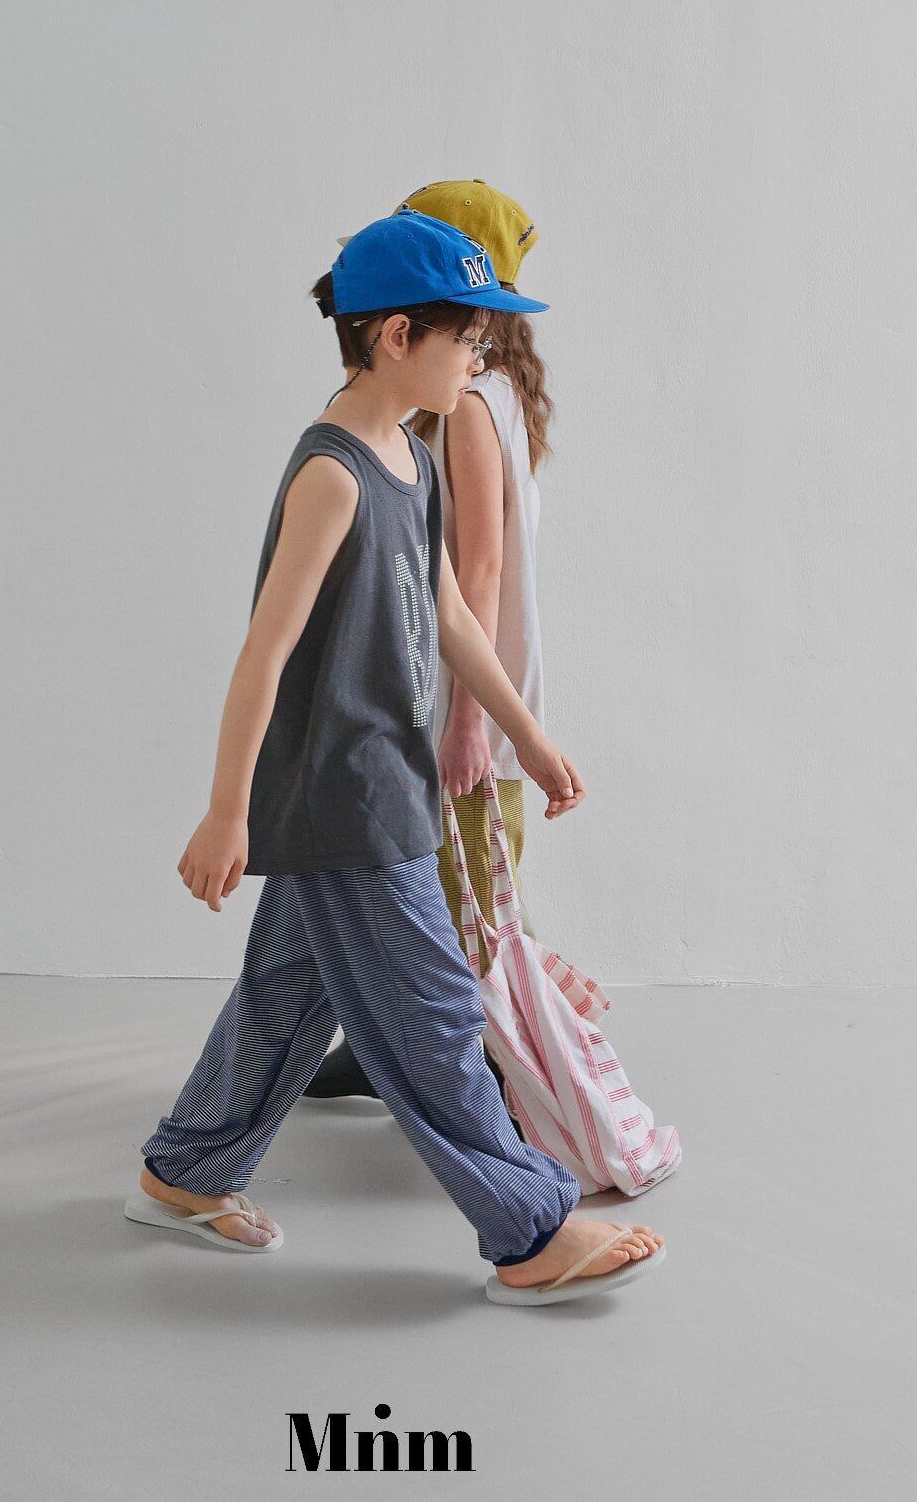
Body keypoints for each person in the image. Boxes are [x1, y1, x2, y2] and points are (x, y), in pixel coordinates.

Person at [126, 207, 665, 1304]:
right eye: (468, 337)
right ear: (394, 336)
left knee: (287, 995)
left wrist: (527, 736)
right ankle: (529, 1231)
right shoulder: (331, 475)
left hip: (384, 786)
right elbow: (264, 652)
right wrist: (227, 811)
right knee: (433, 1016)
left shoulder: (408, 460)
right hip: (347, 799)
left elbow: (451, 615)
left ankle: (185, 1172)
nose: (481, 357)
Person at [307, 180, 550, 1106]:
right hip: (461, 691)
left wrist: (468, 722)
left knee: (466, 895)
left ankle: (488, 1083)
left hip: (464, 697)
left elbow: (474, 569)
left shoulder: (471, 402)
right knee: (431, 888)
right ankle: (393, 1052)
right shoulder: (492, 391)